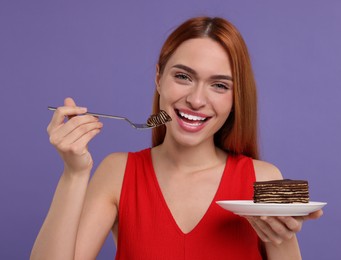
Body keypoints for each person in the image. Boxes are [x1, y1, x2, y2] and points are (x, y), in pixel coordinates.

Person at [31, 16, 322, 260]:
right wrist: (74, 173)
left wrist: (283, 235)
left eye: (219, 85)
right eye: (183, 77)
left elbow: (288, 234)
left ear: (236, 99)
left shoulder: (265, 179)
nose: (196, 100)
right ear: (159, 78)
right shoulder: (117, 172)